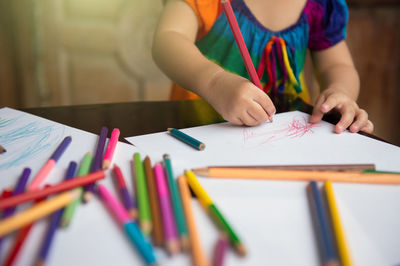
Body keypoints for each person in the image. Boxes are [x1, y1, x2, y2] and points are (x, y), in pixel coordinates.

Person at [152, 0, 374, 134]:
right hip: (197, 131)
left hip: (280, 139)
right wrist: (214, 82)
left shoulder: (320, 5)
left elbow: (336, 64)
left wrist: (341, 93)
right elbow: (168, 40)